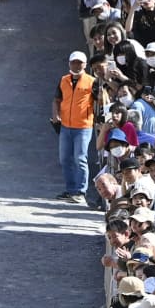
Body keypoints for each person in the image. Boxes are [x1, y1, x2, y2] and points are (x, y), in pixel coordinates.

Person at [52, 51, 97, 205]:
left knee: (80, 158)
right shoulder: (63, 80)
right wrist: (55, 115)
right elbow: (57, 100)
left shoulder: (92, 81)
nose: (77, 65)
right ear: (69, 63)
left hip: (83, 126)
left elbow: (101, 100)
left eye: (80, 63)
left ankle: (80, 191)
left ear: (85, 64)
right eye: (74, 62)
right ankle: (71, 190)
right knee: (65, 159)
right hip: (65, 126)